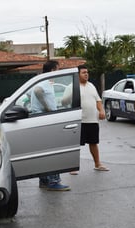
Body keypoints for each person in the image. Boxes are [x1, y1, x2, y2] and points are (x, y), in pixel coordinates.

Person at [31, 60, 70, 191]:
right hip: (46, 119)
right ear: (53, 70)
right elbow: (37, 91)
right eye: (58, 69)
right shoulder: (44, 82)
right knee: (53, 153)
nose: (59, 72)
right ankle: (53, 181)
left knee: (44, 153)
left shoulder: (41, 80)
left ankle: (44, 181)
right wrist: (47, 108)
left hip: (42, 119)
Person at [62, 65, 109, 173]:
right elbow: (64, 102)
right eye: (83, 72)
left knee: (93, 143)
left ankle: (97, 164)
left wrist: (101, 111)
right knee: (75, 145)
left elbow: (98, 100)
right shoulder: (71, 87)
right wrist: (72, 93)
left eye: (87, 72)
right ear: (78, 74)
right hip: (79, 121)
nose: (86, 74)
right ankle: (72, 167)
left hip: (92, 120)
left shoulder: (91, 85)